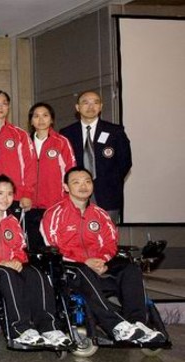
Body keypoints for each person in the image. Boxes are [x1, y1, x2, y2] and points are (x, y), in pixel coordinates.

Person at [41, 167, 164, 343]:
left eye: (87, 182)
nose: (83, 186)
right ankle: (116, 326)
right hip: (69, 270)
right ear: (66, 187)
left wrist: (103, 260)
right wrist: (85, 261)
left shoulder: (100, 214)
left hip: (98, 266)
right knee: (83, 269)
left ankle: (138, 323)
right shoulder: (54, 214)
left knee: (130, 268)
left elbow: (110, 242)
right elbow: (54, 246)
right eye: (76, 182)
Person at [0, 175, 71, 347]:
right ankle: (20, 329)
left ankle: (49, 327)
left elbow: (20, 247)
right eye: (0, 193)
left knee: (36, 274)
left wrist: (17, 260)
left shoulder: (12, 221)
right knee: (8, 276)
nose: (5, 199)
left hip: (10, 265)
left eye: (10, 194)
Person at [59, 91, 132, 223]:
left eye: (95, 102)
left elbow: (125, 162)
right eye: (85, 102)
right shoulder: (66, 133)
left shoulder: (115, 131)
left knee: (107, 237)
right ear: (77, 107)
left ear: (101, 106)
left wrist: (109, 181)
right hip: (75, 195)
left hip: (108, 194)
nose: (91, 106)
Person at [0, 90, 37, 218]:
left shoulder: (21, 135)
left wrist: (27, 194)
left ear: (8, 107)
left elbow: (30, 167)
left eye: (4, 103)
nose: (0, 107)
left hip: (14, 196)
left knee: (12, 235)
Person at [23, 103, 76, 249]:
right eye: (36, 116)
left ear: (52, 119)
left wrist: (66, 198)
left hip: (55, 203)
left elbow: (71, 172)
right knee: (32, 246)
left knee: (54, 245)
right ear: (31, 121)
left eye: (45, 115)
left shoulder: (61, 142)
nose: (41, 120)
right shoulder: (24, 142)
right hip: (29, 204)